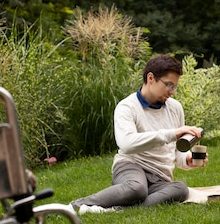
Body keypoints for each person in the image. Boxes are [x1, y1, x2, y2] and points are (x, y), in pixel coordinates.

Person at [70, 54, 205, 214]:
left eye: (174, 86)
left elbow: (176, 151)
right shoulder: (127, 107)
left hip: (160, 177)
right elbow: (126, 144)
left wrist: (187, 159)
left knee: (181, 188)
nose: (172, 92)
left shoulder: (175, 108)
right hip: (130, 166)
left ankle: (116, 209)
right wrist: (171, 134)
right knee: (137, 188)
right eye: (168, 85)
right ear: (150, 78)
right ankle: (74, 206)